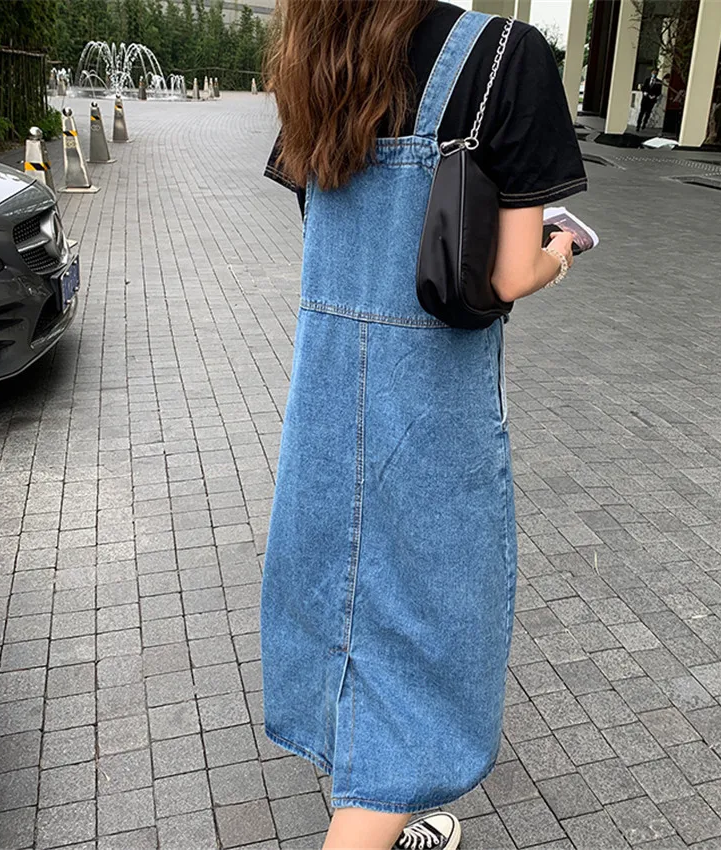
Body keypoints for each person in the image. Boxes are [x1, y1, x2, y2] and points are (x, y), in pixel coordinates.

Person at [261, 2, 587, 848]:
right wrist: (560, 251)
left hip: (325, 405)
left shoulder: (311, 58)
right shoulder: (505, 54)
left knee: (347, 622)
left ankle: (379, 807)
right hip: (430, 413)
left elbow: (328, 226)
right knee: (424, 642)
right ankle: (370, 821)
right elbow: (506, 274)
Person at [637, 66, 662, 131]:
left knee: (648, 113)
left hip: (652, 99)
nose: (654, 74)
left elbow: (659, 92)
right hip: (645, 98)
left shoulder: (659, 82)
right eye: (653, 73)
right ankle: (638, 125)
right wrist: (644, 92)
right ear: (651, 73)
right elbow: (643, 87)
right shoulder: (647, 80)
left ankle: (644, 124)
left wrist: (654, 96)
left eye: (655, 73)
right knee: (641, 112)